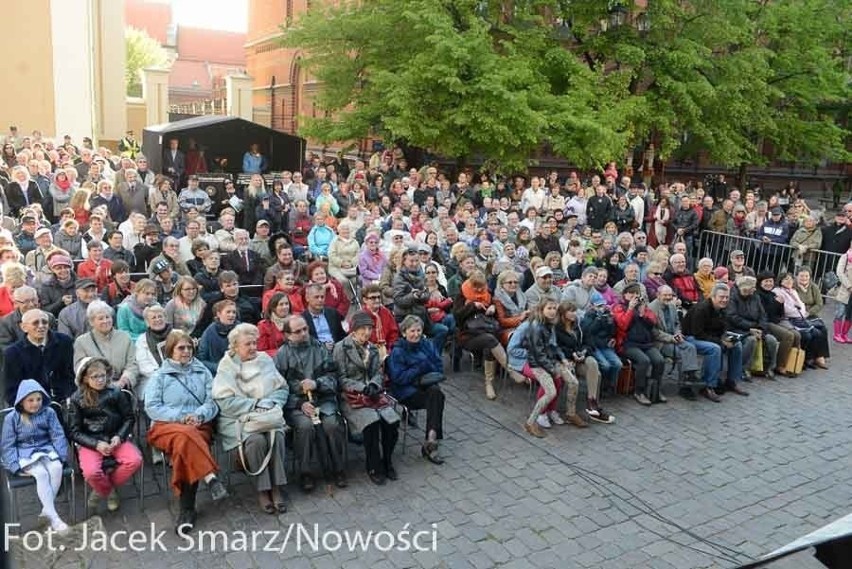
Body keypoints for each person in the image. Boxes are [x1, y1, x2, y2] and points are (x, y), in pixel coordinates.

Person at [145, 330, 228, 533]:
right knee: (186, 436)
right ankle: (209, 477)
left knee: (185, 444)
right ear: (170, 350)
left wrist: (199, 415)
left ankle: (187, 510)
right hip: (167, 426)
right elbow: (152, 407)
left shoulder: (203, 372)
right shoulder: (159, 376)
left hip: (199, 425)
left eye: (189, 347)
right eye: (181, 348)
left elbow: (213, 401)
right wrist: (182, 417)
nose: (186, 351)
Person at [213, 324, 289, 514]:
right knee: (255, 442)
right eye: (248, 344)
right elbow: (225, 402)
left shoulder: (264, 360)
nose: (253, 347)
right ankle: (263, 489)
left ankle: (277, 486)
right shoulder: (227, 366)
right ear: (235, 346)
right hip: (239, 419)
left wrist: (272, 404)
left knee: (276, 436)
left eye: (255, 343)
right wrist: (255, 405)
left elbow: (282, 388)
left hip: (268, 415)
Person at [275, 315, 347, 491]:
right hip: (297, 404)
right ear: (287, 335)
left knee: (331, 425)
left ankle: (338, 469)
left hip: (323, 398)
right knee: (305, 426)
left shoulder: (320, 348)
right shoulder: (281, 355)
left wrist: (317, 384)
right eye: (298, 331)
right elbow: (277, 390)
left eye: (305, 329)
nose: (303, 333)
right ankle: (305, 473)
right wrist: (299, 403)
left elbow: (333, 377)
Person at [334, 311, 401, 485]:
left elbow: (378, 372)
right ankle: (373, 465)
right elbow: (341, 378)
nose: (366, 332)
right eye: (362, 328)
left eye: (369, 329)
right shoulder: (341, 348)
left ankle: (387, 460)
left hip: (373, 394)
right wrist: (362, 388)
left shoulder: (372, 348)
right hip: (352, 397)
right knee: (371, 423)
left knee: (392, 421)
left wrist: (373, 385)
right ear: (354, 330)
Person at [69, 357, 142, 513]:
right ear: (85, 378)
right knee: (90, 472)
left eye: (102, 375)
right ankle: (109, 492)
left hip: (114, 437)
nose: (100, 380)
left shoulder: (115, 392)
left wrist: (119, 436)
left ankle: (103, 488)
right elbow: (74, 431)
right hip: (91, 442)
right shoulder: (77, 398)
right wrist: (96, 444)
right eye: (94, 377)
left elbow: (129, 417)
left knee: (135, 460)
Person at [1, 380, 71, 533]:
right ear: (22, 401)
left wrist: (61, 455)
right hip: (24, 453)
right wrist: (15, 466)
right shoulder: (12, 418)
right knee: (41, 473)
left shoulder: (49, 413)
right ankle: (55, 519)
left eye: (38, 399)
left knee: (56, 467)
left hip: (45, 448)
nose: (35, 404)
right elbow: (7, 446)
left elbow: (58, 434)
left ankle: (47, 511)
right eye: (30, 400)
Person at [454, 269, 527, 399]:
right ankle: (511, 371)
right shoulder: (462, 295)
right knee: (490, 340)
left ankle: (490, 383)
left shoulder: (488, 293)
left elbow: (495, 314)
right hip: (468, 335)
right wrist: (472, 306)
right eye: (476, 287)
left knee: (490, 342)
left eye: (482, 286)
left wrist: (492, 308)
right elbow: (457, 317)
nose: (479, 290)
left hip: (487, 330)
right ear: (470, 284)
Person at [386, 315, 446, 464]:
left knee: (436, 393)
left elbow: (438, 367)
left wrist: (423, 367)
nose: (416, 334)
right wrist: (419, 368)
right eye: (412, 331)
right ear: (404, 332)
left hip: (426, 386)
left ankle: (430, 440)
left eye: (419, 330)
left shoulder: (427, 344)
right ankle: (431, 444)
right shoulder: (398, 351)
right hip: (405, 392)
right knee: (436, 396)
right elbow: (398, 378)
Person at [523, 299, 585, 437]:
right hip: (538, 365)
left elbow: (554, 346)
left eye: (554, 308)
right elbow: (538, 354)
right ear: (542, 309)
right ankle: (530, 422)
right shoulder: (536, 327)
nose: (552, 311)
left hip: (552, 361)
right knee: (550, 392)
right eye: (549, 308)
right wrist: (553, 370)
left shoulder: (551, 324)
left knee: (573, 382)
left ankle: (570, 413)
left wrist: (562, 358)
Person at [683, 283, 749, 400]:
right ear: (713, 297)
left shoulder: (722, 309)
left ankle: (732, 381)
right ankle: (708, 385)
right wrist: (721, 342)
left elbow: (721, 329)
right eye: (721, 297)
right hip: (691, 338)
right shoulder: (702, 309)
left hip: (708, 337)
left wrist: (727, 339)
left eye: (727, 297)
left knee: (736, 345)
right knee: (715, 348)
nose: (724, 300)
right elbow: (698, 333)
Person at [555, 302, 613, 423]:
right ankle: (589, 408)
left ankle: (592, 402)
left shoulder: (579, 326)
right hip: (566, 361)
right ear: (563, 313)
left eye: (575, 311)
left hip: (581, 359)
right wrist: (572, 354)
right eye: (570, 311)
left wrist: (584, 352)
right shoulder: (556, 328)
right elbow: (557, 348)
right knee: (596, 375)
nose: (574, 314)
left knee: (592, 363)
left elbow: (589, 342)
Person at [4, 309, 75, 406]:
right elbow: (11, 389)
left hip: (64, 401)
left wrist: (69, 396)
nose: (41, 326)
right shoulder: (12, 353)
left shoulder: (64, 342)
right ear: (24, 327)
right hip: (32, 406)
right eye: (35, 323)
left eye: (44, 322)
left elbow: (71, 374)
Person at [613, 283, 666, 406]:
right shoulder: (619, 307)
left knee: (659, 360)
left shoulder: (643, 307)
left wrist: (643, 314)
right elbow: (622, 325)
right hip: (628, 344)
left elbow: (653, 323)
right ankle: (639, 391)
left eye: (636, 294)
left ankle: (655, 390)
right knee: (644, 361)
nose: (634, 296)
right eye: (631, 293)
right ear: (625, 295)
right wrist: (630, 309)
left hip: (646, 343)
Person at [73, 300, 139, 390]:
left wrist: (124, 380)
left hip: (122, 388)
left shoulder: (125, 337)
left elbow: (132, 364)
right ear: (91, 322)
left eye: (108, 317)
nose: (105, 321)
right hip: (94, 390)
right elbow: (80, 369)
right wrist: (99, 383)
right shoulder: (81, 341)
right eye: (100, 318)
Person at [725, 276, 781, 380]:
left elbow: (763, 315)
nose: (754, 289)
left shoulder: (755, 297)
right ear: (745, 288)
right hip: (738, 329)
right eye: (752, 287)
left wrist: (760, 328)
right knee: (751, 340)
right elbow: (733, 317)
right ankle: (743, 368)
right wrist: (750, 328)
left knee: (772, 340)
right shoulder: (733, 297)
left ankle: (769, 368)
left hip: (756, 327)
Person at [776, 272, 829, 370]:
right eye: (786, 279)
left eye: (791, 279)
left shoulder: (793, 291)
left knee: (818, 332)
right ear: (781, 281)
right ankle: (799, 358)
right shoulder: (778, 291)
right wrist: (799, 312)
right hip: (789, 319)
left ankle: (809, 357)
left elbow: (803, 305)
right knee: (806, 335)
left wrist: (802, 311)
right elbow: (786, 309)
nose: (789, 281)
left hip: (802, 317)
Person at [135, 304, 171, 398]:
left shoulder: (178, 334)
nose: (157, 320)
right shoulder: (141, 340)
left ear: (165, 318)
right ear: (147, 322)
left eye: (160, 316)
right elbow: (143, 365)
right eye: (153, 318)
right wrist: (163, 375)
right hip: (153, 378)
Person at [198, 299, 238, 374]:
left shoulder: (241, 329)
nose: (232, 315)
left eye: (234, 312)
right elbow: (201, 359)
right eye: (228, 312)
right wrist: (218, 367)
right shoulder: (209, 332)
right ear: (218, 314)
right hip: (217, 372)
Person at [360, 284, 399, 359]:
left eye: (379, 297)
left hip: (387, 350)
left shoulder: (386, 312)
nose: (377, 300)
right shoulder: (360, 316)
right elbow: (357, 339)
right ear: (365, 300)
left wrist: (389, 349)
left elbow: (393, 333)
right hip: (368, 353)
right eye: (373, 298)